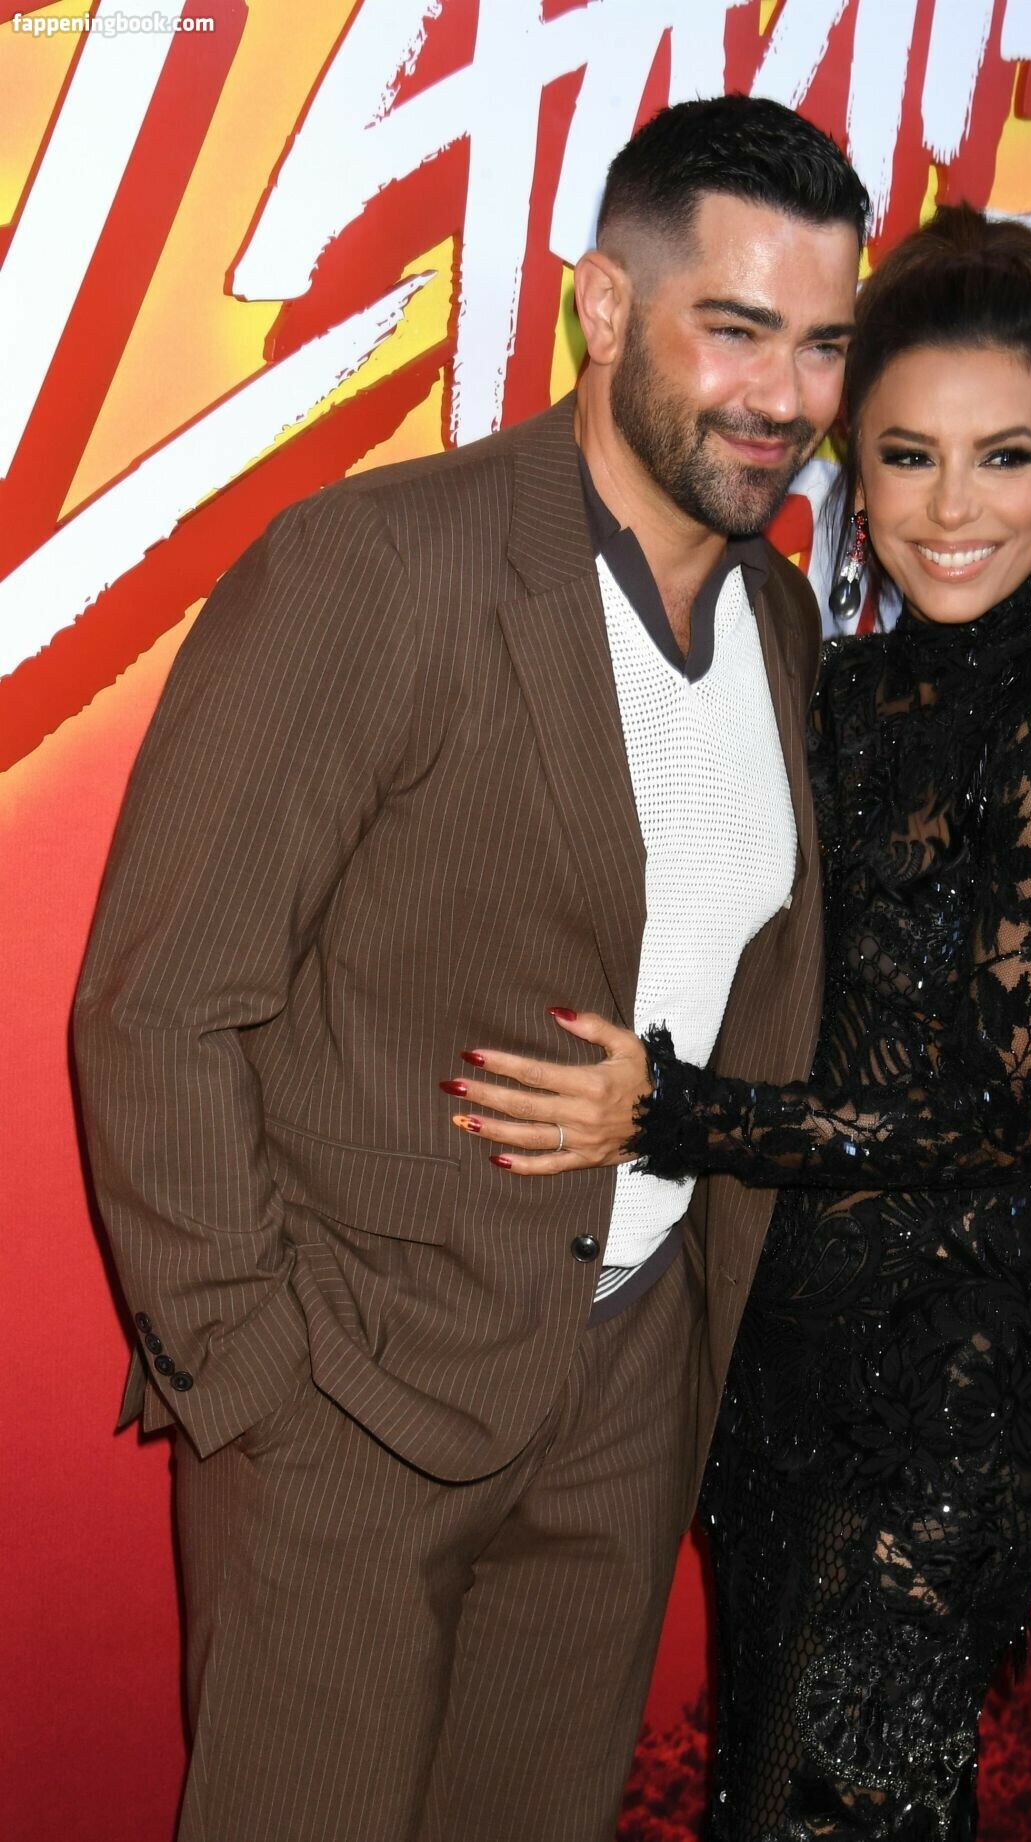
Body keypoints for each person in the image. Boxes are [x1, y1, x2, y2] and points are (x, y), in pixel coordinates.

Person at [72, 99, 867, 1842]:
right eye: (736, 328)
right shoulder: (375, 566)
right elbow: (160, 1000)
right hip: (350, 1407)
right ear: (603, 305)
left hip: (629, 1401)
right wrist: (258, 1389)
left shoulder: (783, 622)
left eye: (822, 344)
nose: (786, 397)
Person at [451, 203, 1031, 1839]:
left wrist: (670, 1112)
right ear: (858, 469)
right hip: (772, 1358)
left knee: (842, 1813)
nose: (953, 508)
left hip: (951, 1385)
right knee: (761, 1798)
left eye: (1004, 457)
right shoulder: (827, 689)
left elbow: (990, 1114)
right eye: (909, 457)